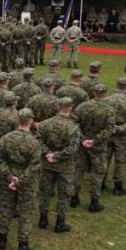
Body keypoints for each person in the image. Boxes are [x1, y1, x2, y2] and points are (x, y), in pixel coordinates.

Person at [0, 108, 40, 250]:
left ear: (16, 120)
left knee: (6, 209)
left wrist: (9, 176)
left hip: (8, 178)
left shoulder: (5, 138)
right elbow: (34, 166)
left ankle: (2, 239)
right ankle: (23, 246)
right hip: (26, 181)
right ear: (31, 121)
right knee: (25, 213)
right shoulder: (33, 142)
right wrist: (20, 181)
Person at [37, 97, 80, 233]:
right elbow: (73, 148)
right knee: (64, 195)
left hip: (47, 163)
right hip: (65, 166)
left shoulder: (44, 124)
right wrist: (57, 155)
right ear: (70, 108)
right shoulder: (73, 127)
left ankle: (43, 219)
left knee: (45, 192)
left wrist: (48, 154)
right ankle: (60, 223)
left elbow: (37, 141)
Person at [73, 84, 115, 212]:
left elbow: (74, 124)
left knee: (78, 170)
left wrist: (83, 138)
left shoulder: (82, 106)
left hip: (82, 144)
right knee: (97, 173)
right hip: (99, 146)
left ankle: (73, 198)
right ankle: (94, 202)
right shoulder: (109, 110)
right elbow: (109, 129)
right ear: (106, 93)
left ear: (93, 93)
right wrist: (95, 140)